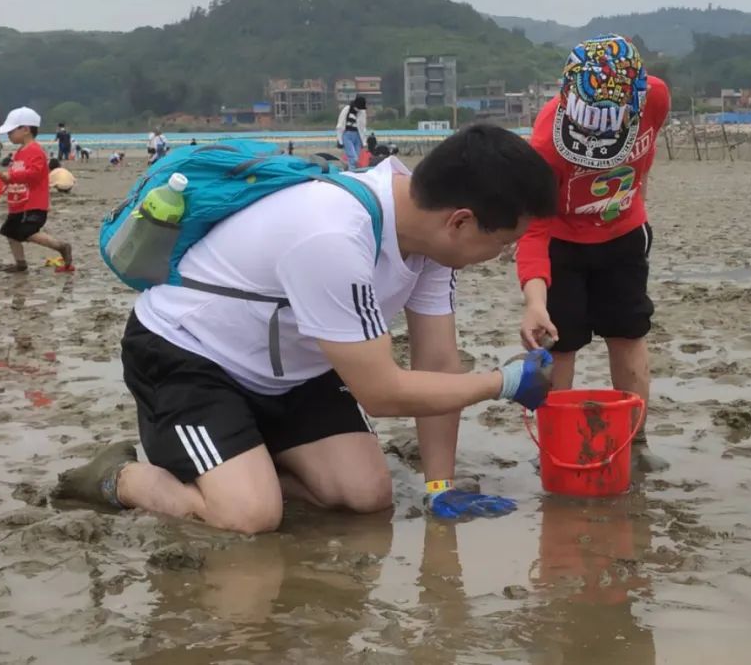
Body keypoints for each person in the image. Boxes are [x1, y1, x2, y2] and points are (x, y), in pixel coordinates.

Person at [55, 125, 558, 533]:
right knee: (249, 517)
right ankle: (119, 477)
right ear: (462, 221)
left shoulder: (429, 242)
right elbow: (381, 392)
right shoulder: (332, 235)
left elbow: (438, 363)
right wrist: (503, 383)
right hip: (190, 359)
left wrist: (439, 487)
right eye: (504, 242)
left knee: (365, 496)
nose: (504, 255)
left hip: (293, 369)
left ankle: (244, 458)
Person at [516, 35, 671, 472]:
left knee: (628, 334)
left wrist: (629, 205)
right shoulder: (546, 142)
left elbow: (649, 157)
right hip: (563, 244)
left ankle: (636, 443)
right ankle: (554, 445)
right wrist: (535, 302)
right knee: (560, 344)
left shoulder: (655, 97)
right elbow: (534, 231)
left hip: (624, 236)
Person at [0, 107, 73, 272]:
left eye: (11, 131)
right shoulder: (18, 153)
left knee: (26, 232)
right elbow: (14, 173)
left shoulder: (36, 151)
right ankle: (20, 263)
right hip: (18, 203)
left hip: (33, 204)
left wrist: (12, 177)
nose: (8, 135)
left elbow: (35, 174)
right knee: (10, 231)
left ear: (25, 130)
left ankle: (61, 246)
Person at [337, 95, 368, 167]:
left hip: (358, 135)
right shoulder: (347, 109)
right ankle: (351, 168)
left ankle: (352, 169)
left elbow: (363, 127)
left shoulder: (362, 111)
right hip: (347, 134)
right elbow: (340, 124)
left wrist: (364, 142)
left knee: (357, 155)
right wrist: (340, 140)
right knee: (352, 156)